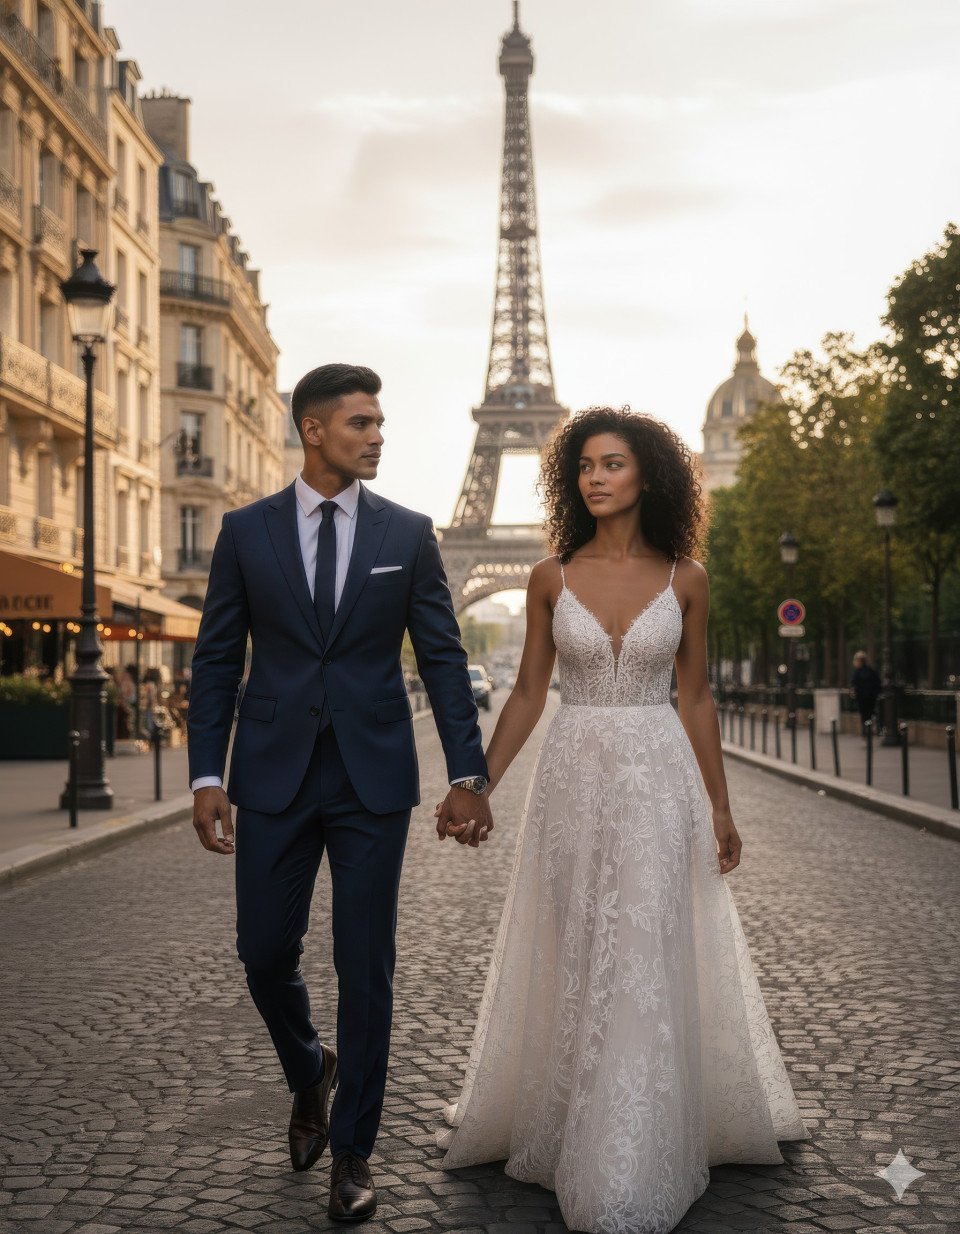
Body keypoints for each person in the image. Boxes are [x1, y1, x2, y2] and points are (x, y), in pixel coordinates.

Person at [435, 407, 810, 1234]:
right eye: (584, 467)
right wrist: (478, 784)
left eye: (613, 464)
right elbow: (530, 693)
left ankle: (632, 1143)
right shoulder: (547, 576)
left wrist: (720, 804)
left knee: (643, 946)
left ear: (650, 477)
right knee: (579, 943)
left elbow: (697, 696)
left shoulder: (688, 579)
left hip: (657, 782)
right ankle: (576, 1119)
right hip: (572, 778)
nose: (596, 478)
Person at [187, 364, 493, 1224]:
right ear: (313, 430)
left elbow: (442, 654)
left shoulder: (411, 532)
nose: (378, 434)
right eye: (361, 422)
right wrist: (207, 772)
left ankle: (354, 1152)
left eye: (381, 422)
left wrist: (467, 773)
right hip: (274, 774)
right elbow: (216, 659)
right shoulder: (246, 533)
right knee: (261, 952)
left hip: (372, 779)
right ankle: (307, 1068)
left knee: (367, 968)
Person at [851, 650, 881, 739]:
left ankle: (865, 732)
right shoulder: (871, 671)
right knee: (870, 714)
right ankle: (869, 730)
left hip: (861, 698)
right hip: (871, 698)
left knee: (864, 715)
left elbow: (854, 684)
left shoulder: (857, 672)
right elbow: (878, 683)